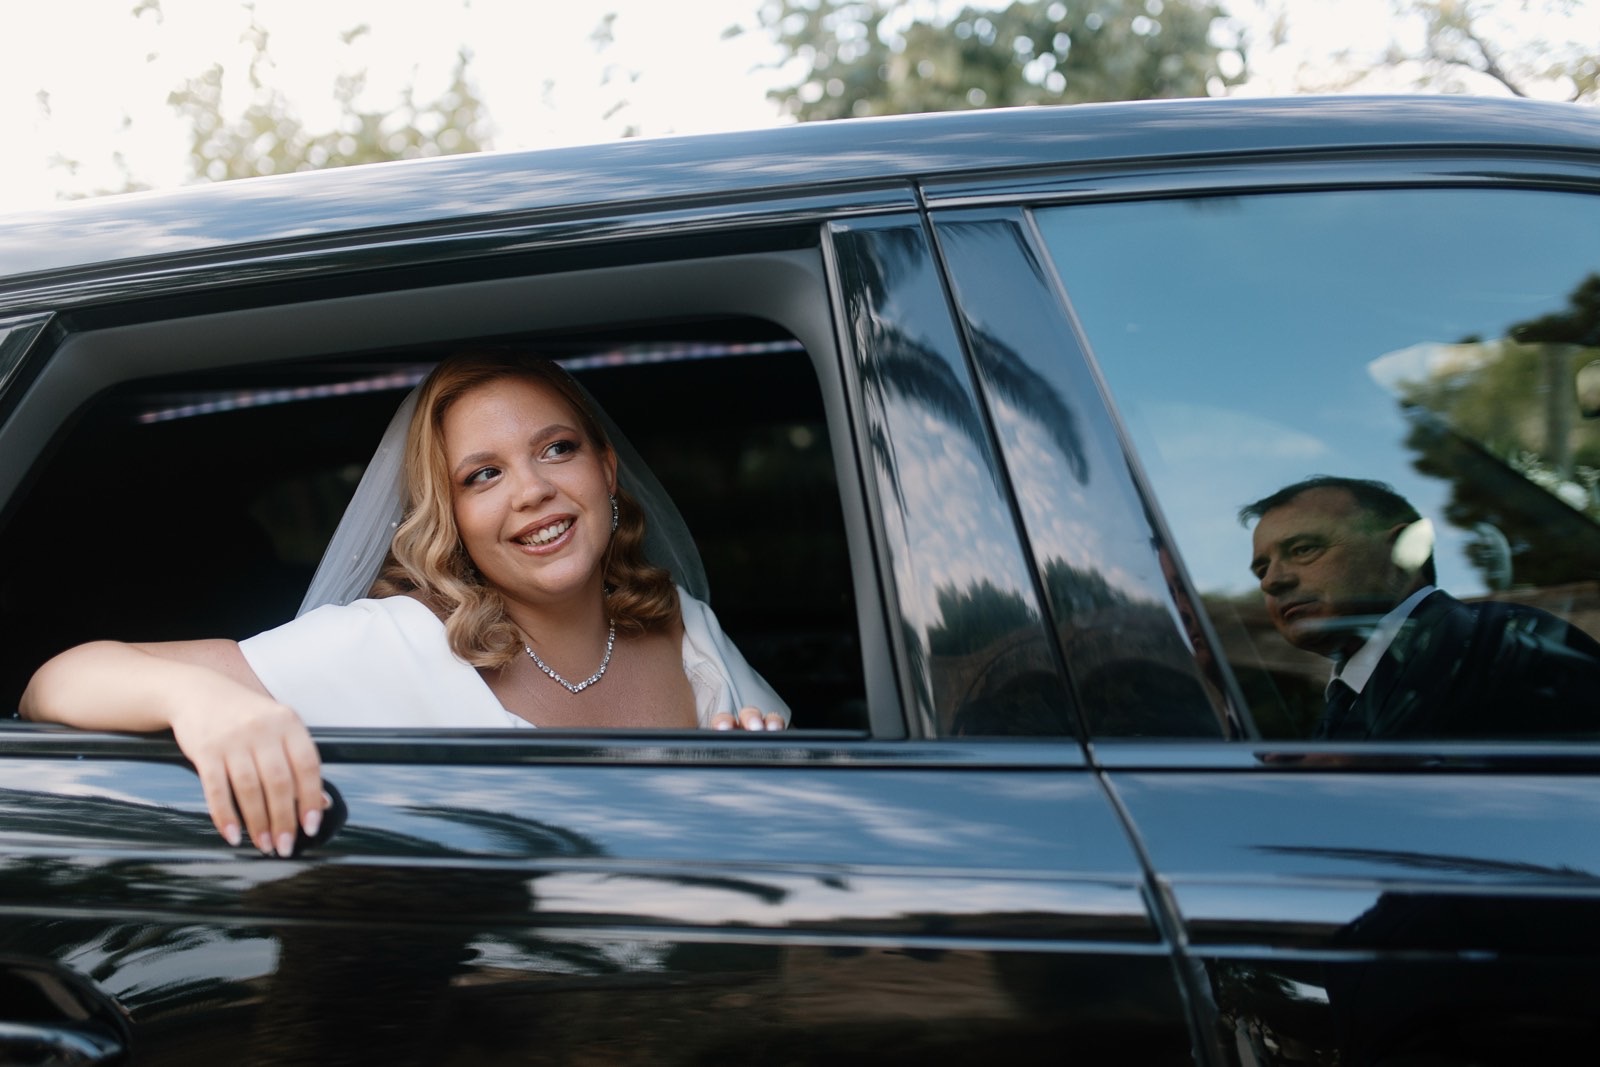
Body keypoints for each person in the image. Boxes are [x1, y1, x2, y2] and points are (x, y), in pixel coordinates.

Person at [21, 353, 788, 857]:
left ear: (607, 468)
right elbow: (55, 684)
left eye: (557, 448)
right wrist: (200, 699)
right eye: (482, 475)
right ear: (449, 514)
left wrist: (764, 779)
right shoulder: (393, 643)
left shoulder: (686, 626)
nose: (531, 491)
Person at [1239, 475, 1600, 740]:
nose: (1272, 581)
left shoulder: (1496, 646)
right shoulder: (1356, 689)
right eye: (1261, 569)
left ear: (1404, 553)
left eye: (1303, 550)